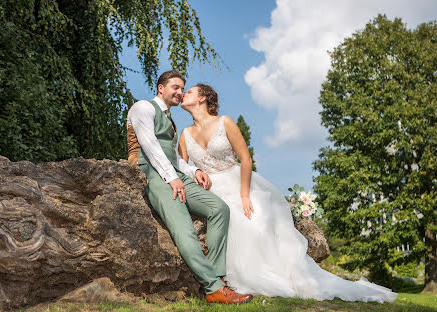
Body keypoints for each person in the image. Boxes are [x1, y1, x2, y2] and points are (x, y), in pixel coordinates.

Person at [178, 83, 398, 302]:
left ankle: (259, 276)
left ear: (202, 98)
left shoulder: (224, 123)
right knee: (228, 219)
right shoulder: (185, 134)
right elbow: (183, 167)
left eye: (188, 92)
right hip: (209, 189)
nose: (183, 94)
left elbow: (245, 159)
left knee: (253, 220)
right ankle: (222, 282)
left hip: (238, 182)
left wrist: (244, 196)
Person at [126, 70, 253, 304]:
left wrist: (193, 171)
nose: (180, 92)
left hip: (173, 173)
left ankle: (217, 278)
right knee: (183, 228)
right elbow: (150, 146)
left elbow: (174, 157)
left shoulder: (171, 121)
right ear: (160, 88)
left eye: (183, 89)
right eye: (175, 87)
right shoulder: (143, 107)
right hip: (153, 175)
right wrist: (170, 178)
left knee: (219, 209)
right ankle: (213, 288)